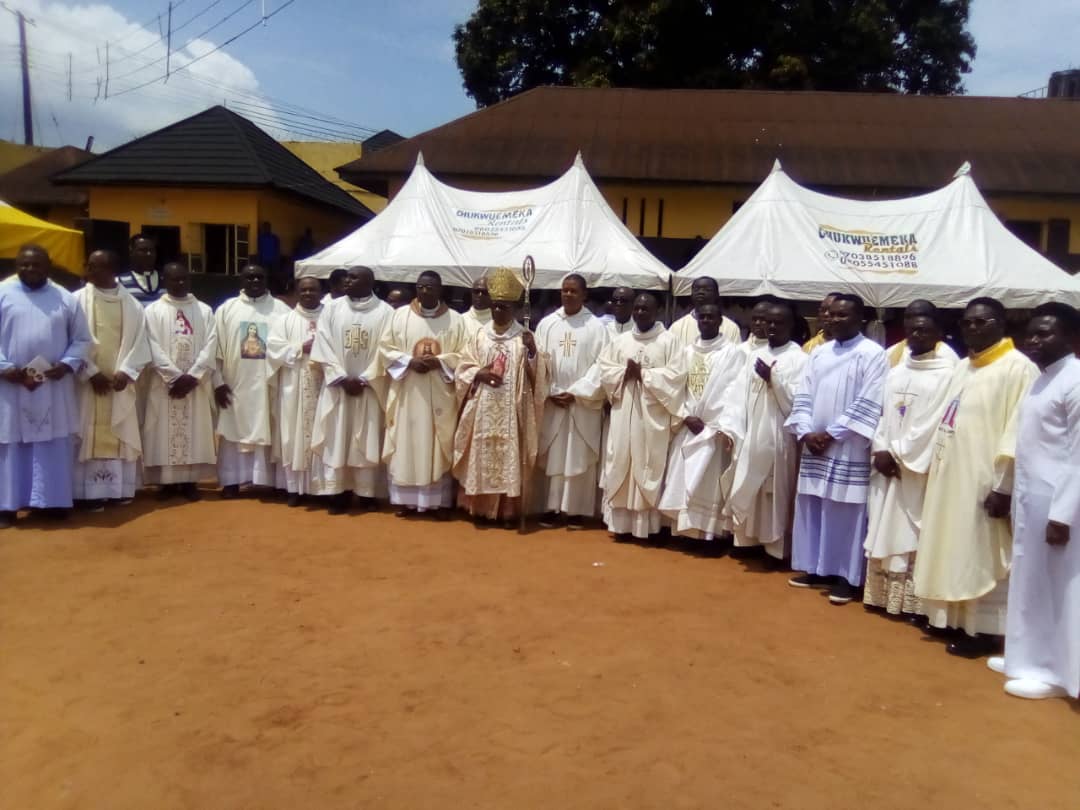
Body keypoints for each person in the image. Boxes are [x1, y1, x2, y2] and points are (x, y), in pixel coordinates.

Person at [914, 297, 1039, 657]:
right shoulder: (965, 366)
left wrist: (1004, 486)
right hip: (951, 474)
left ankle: (983, 631)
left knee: (980, 550)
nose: (972, 328)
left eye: (981, 322)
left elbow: (1018, 432)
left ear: (1000, 324)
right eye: (967, 322)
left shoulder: (1018, 368)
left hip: (984, 479)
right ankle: (950, 618)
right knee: (952, 545)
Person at [987, 303, 1080, 699]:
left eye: (1045, 334)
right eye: (1032, 334)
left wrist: (1064, 515)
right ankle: (1024, 657)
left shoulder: (1075, 379)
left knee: (1059, 586)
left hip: (1060, 503)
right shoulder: (1042, 379)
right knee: (1028, 577)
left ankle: (1056, 672)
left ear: (1072, 338)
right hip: (1032, 496)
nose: (1034, 341)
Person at [785, 293, 887, 604]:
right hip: (814, 443)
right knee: (814, 504)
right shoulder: (819, 353)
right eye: (831, 315)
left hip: (847, 445)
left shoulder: (873, 354)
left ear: (861, 320)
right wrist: (805, 432)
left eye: (843, 315)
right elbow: (803, 393)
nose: (834, 319)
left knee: (844, 509)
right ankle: (815, 568)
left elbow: (870, 400)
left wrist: (830, 434)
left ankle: (844, 576)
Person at [862, 305, 957, 617]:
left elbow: (933, 423)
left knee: (911, 530)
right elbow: (883, 414)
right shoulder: (897, 370)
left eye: (924, 330)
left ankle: (911, 603)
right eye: (912, 329)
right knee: (882, 523)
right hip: (887, 462)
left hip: (914, 467)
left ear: (938, 334)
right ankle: (881, 595)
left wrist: (898, 452)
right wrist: (880, 448)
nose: (916, 335)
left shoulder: (946, 373)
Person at [0, 245, 92, 526]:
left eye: (36, 265)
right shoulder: (2, 293)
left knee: (52, 443)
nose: (29, 269)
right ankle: (6, 505)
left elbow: (82, 339)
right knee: (10, 444)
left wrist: (66, 364)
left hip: (52, 383)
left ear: (48, 265)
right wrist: (5, 368)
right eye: (24, 265)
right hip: (10, 385)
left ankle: (51, 502)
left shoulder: (64, 298)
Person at [454, 267, 550, 525]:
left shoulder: (524, 337)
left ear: (515, 309)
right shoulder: (479, 335)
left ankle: (506, 512)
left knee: (509, 459)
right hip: (483, 406)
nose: (499, 311)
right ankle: (482, 510)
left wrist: (532, 354)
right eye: (495, 306)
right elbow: (463, 366)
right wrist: (478, 373)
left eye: (505, 307)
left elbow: (539, 376)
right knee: (481, 455)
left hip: (511, 412)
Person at [379, 270, 469, 517]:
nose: (424, 291)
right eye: (420, 287)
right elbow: (385, 349)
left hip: (440, 392)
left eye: (430, 287)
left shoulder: (456, 320)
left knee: (438, 443)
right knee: (407, 443)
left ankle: (437, 502)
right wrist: (408, 361)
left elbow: (465, 353)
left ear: (440, 290)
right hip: (408, 391)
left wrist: (439, 362)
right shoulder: (399, 317)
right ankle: (406, 501)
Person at [598, 293, 686, 541]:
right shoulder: (621, 341)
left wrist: (644, 375)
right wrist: (624, 374)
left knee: (649, 462)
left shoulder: (669, 341)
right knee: (621, 459)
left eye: (645, 309)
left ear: (657, 311)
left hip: (651, 418)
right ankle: (622, 525)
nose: (639, 313)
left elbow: (677, 377)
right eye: (636, 308)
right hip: (623, 413)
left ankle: (650, 527)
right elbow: (604, 368)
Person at [657, 303, 745, 548]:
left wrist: (715, 423)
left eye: (711, 317)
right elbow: (674, 387)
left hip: (713, 430)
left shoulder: (732, 353)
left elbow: (733, 391)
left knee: (708, 482)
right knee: (681, 477)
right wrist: (686, 415)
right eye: (702, 317)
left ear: (720, 321)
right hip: (688, 424)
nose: (706, 320)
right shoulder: (685, 351)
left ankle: (708, 536)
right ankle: (683, 531)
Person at [726, 300, 808, 563]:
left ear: (791, 326)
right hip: (751, 432)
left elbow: (799, 400)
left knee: (774, 490)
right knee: (750, 483)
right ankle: (748, 539)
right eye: (768, 322)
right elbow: (738, 393)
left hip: (778, 434)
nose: (771, 327)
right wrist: (732, 427)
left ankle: (774, 547)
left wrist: (774, 380)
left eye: (778, 322)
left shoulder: (799, 359)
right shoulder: (753, 354)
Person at [310, 266, 393, 515]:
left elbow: (386, 349)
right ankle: (338, 493)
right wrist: (341, 377)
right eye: (347, 277)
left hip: (369, 389)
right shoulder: (332, 308)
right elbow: (322, 343)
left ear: (369, 282)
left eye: (354, 277)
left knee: (366, 439)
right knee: (337, 437)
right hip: (338, 388)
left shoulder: (385, 312)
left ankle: (366, 494)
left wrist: (365, 378)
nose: (347, 280)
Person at [72, 250, 152, 509]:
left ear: (112, 270)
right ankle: (86, 494)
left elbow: (142, 342)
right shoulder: (76, 301)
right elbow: (71, 341)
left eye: (97, 266)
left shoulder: (132, 305)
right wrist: (91, 372)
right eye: (90, 265)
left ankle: (119, 489)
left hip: (119, 384)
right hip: (88, 384)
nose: (90, 270)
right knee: (87, 431)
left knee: (121, 431)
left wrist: (127, 372)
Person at [535, 274, 609, 529]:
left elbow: (603, 365)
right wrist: (551, 390)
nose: (568, 295)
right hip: (553, 401)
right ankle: (552, 508)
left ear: (584, 295)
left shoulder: (596, 327)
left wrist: (577, 392)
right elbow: (540, 363)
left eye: (573, 291)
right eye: (564, 291)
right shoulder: (547, 324)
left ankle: (576, 510)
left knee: (578, 456)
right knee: (555, 455)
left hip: (582, 403)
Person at [213, 264, 291, 497]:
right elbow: (214, 350)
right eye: (250, 277)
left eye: (259, 276)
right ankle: (231, 481)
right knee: (232, 431)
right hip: (235, 383)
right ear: (242, 280)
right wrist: (217, 382)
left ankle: (271, 481)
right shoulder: (227, 309)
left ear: (267, 279)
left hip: (270, 385)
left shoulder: (281, 310)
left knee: (272, 427)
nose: (255, 280)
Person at [142, 262, 218, 500]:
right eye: (174, 279)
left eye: (184, 278)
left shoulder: (204, 310)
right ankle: (165, 483)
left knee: (194, 430)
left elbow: (211, 344)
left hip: (194, 385)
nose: (180, 283)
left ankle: (189, 482)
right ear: (165, 280)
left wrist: (193, 376)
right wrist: (174, 377)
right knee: (162, 430)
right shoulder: (152, 311)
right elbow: (150, 344)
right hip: (165, 384)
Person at [268, 277, 325, 507]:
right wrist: (301, 348)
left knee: (325, 434)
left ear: (322, 292)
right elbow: (273, 350)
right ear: (296, 292)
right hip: (294, 386)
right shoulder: (285, 321)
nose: (308, 293)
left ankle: (323, 488)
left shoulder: (331, 317)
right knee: (292, 435)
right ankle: (294, 489)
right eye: (304, 290)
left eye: (313, 289)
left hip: (325, 385)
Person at [885, 300, 960, 368]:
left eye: (921, 329)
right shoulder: (891, 352)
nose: (915, 320)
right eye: (909, 317)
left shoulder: (946, 354)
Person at [669, 277, 741, 346]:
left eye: (707, 289)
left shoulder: (731, 327)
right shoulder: (677, 327)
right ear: (691, 294)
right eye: (696, 289)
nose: (701, 292)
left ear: (717, 295)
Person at [118, 233, 163, 306]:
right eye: (143, 250)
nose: (149, 254)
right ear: (131, 253)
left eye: (152, 250)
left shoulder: (166, 280)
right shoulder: (120, 281)